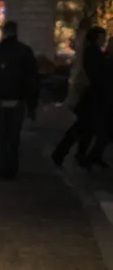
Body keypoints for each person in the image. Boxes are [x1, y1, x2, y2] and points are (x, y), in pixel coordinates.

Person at [0, 21, 38, 178]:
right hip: (19, 97)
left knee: (1, 133)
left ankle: (2, 165)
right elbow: (32, 79)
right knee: (14, 134)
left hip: (0, 98)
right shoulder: (25, 51)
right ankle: (12, 166)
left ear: (3, 32)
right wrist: (32, 105)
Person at [52, 25, 103, 168]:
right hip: (89, 95)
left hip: (87, 95)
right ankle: (65, 154)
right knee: (83, 127)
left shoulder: (87, 52)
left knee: (85, 127)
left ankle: (74, 154)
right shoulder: (93, 53)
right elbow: (96, 74)